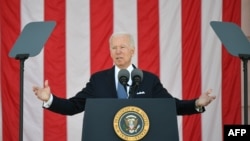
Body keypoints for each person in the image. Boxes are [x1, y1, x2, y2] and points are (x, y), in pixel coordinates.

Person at [33, 32, 216, 116]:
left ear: (132, 51)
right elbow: (74, 106)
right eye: (114, 48)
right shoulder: (98, 80)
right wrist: (49, 99)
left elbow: (170, 106)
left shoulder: (148, 80)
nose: (118, 51)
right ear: (110, 52)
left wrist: (196, 104)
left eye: (123, 47)